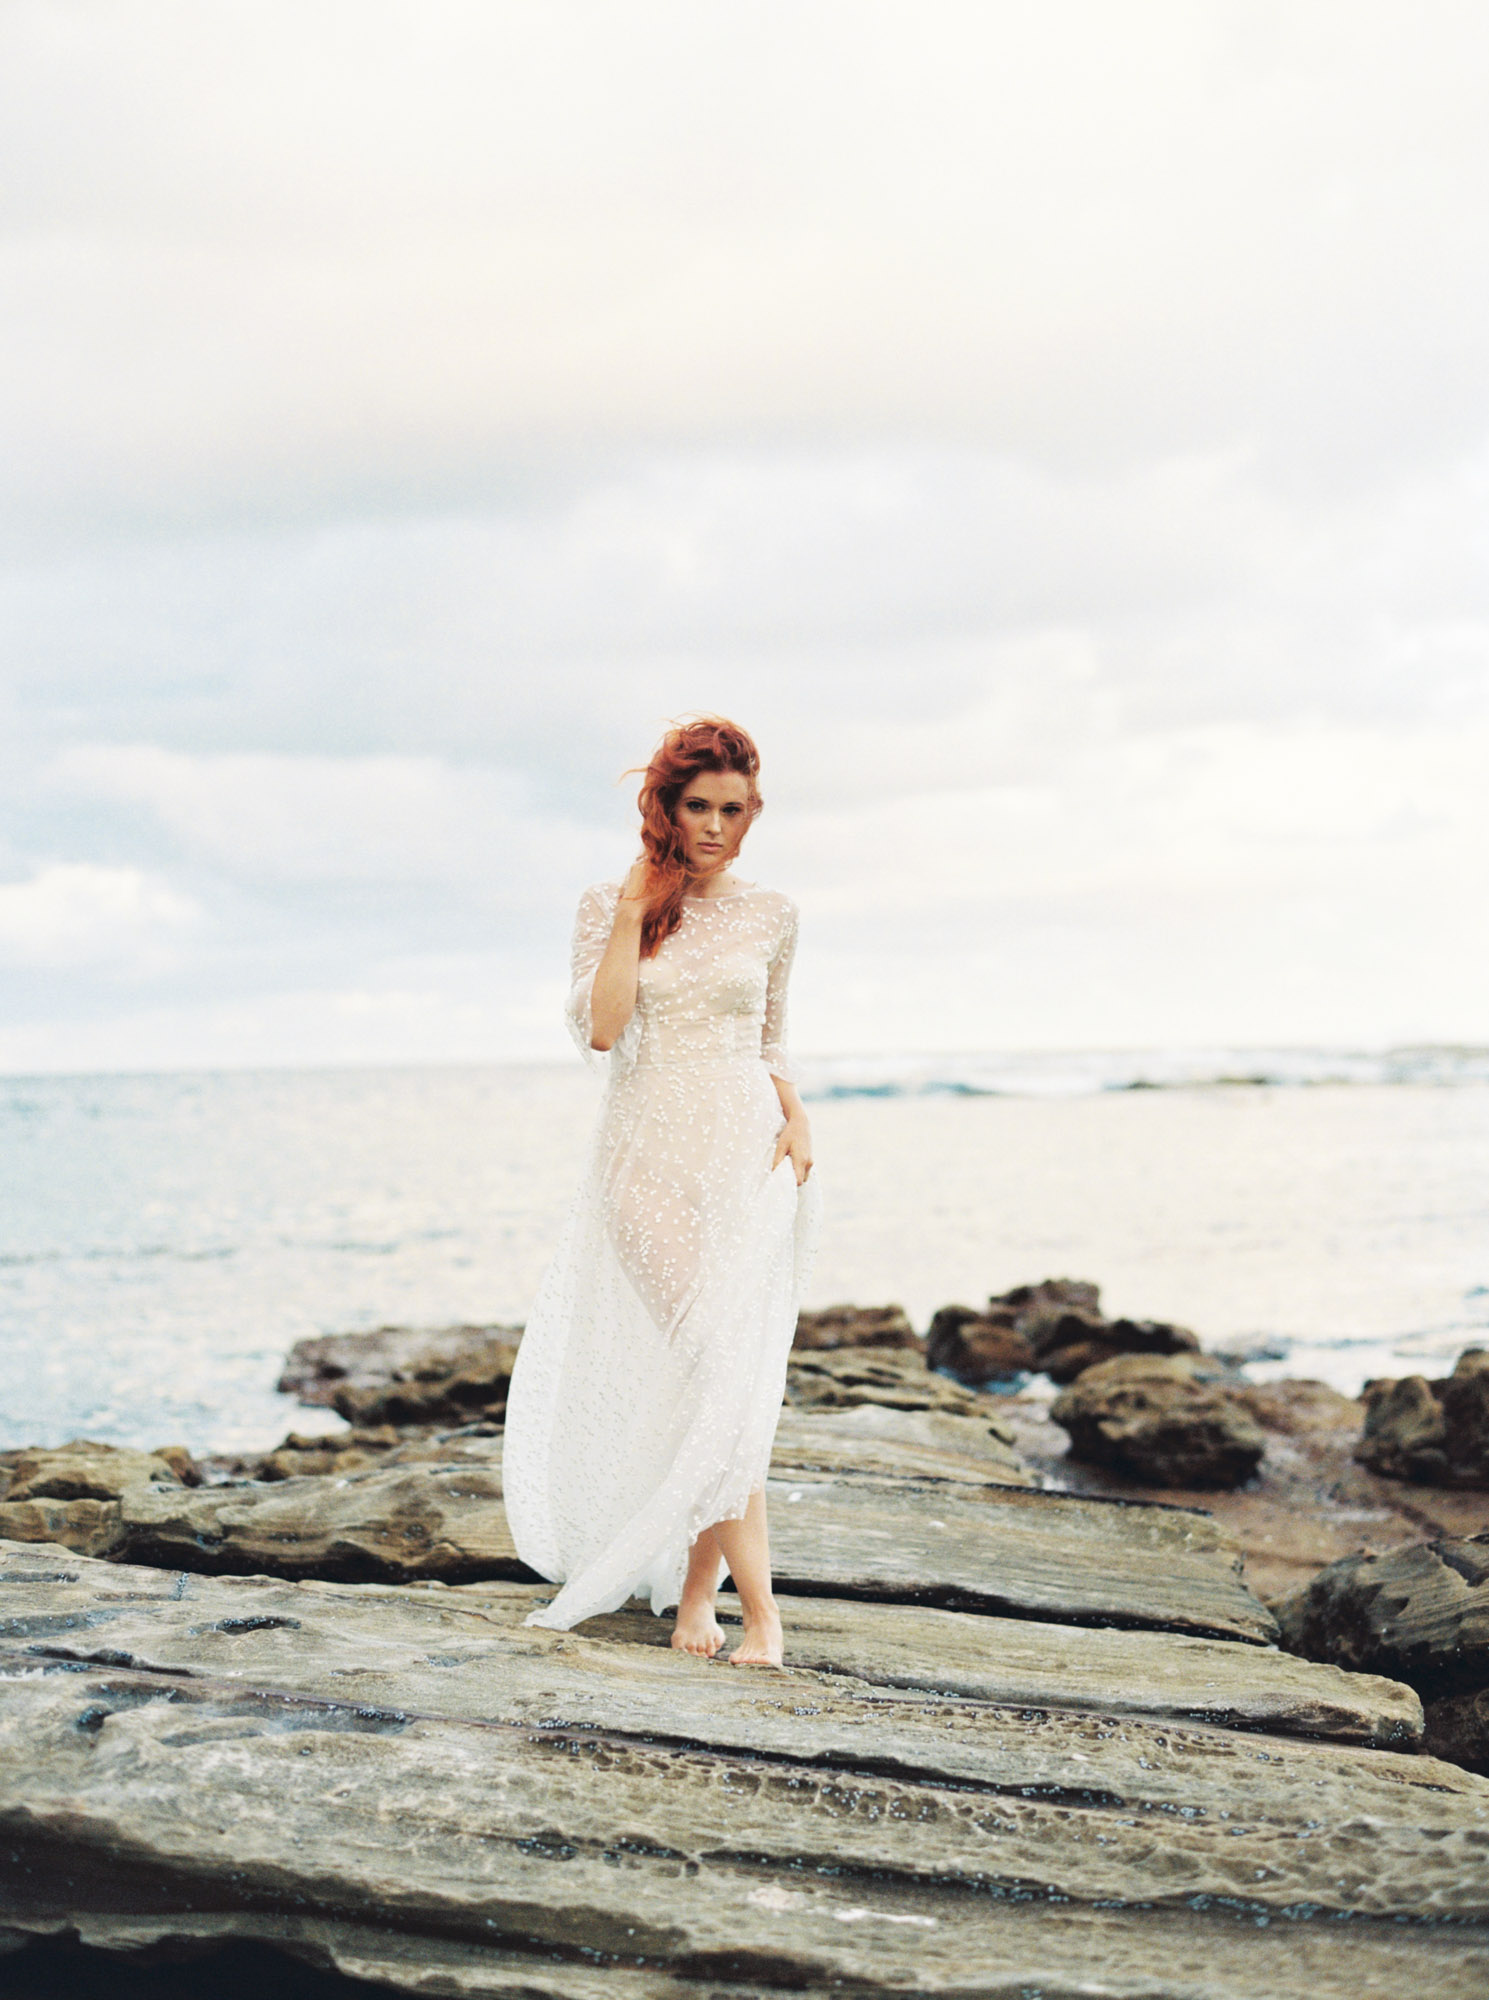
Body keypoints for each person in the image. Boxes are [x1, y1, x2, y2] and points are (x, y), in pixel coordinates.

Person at [502, 715, 820, 1667]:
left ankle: (696, 1597)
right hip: (642, 1163)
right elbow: (601, 1032)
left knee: (717, 1378)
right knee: (716, 1367)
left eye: (734, 809)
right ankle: (766, 1617)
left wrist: (797, 1115)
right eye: (698, 807)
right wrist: (638, 909)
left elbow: (770, 1039)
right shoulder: (612, 901)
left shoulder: (774, 914)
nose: (716, 827)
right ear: (665, 809)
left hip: (745, 1157)